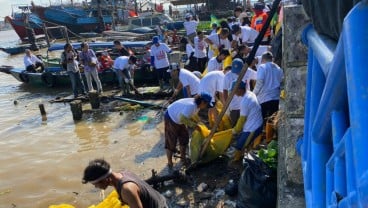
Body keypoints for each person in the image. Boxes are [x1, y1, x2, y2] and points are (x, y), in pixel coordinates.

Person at [82, 158, 168, 208]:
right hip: (159, 200)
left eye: (96, 184)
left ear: (106, 179)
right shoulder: (121, 174)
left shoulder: (127, 189)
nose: (96, 187)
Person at [165, 93, 213, 168]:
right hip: (171, 117)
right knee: (171, 141)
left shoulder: (197, 106)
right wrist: (194, 126)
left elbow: (193, 116)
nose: (206, 107)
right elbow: (182, 118)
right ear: (203, 102)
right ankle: (170, 162)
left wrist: (200, 123)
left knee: (184, 138)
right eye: (206, 105)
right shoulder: (191, 106)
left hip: (179, 118)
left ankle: (183, 158)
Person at [231, 81, 263, 162]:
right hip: (257, 123)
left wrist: (235, 130)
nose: (233, 92)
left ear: (239, 90)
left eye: (234, 90)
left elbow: (242, 120)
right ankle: (246, 154)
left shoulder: (245, 101)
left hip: (253, 128)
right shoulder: (250, 93)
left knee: (239, 145)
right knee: (242, 141)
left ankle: (236, 161)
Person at [253, 51, 283, 121]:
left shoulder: (262, 67)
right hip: (276, 99)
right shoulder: (279, 69)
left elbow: (260, 82)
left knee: (264, 123)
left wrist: (254, 94)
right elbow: (282, 82)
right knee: (273, 122)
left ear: (263, 59)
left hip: (264, 99)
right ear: (272, 59)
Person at [223, 58, 244, 127]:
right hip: (233, 105)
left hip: (243, 103)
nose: (236, 72)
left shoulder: (246, 72)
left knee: (241, 123)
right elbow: (225, 90)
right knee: (232, 122)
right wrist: (226, 104)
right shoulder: (228, 76)